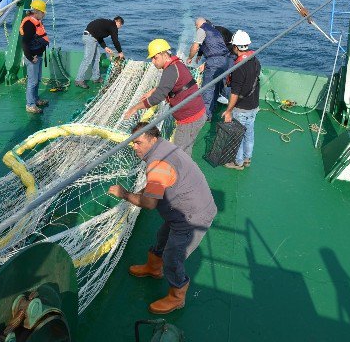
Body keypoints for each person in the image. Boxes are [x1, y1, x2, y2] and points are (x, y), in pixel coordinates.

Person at [109, 123, 217, 314]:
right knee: (162, 238)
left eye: (138, 143)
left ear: (152, 139)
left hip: (192, 216)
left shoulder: (158, 165)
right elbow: (155, 188)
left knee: (173, 257)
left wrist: (124, 194)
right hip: (181, 210)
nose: (135, 148)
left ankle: (177, 297)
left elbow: (150, 204)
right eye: (133, 143)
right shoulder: (164, 146)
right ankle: (153, 267)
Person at [124, 39, 206, 155]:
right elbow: (172, 84)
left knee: (179, 154)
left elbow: (156, 99)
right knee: (186, 148)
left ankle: (181, 172)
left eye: (155, 58)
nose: (153, 62)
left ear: (164, 54)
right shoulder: (176, 63)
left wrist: (135, 108)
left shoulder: (170, 70)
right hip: (197, 113)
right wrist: (154, 90)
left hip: (189, 118)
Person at [221, 29, 261, 170]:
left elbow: (235, 93)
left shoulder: (238, 67)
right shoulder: (255, 60)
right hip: (254, 106)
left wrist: (228, 111)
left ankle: (238, 162)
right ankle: (247, 158)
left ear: (236, 47)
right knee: (249, 133)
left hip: (242, 108)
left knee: (237, 135)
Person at [187, 17, 232, 120]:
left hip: (214, 61)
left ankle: (206, 115)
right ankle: (229, 107)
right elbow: (211, 45)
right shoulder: (214, 30)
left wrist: (190, 58)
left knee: (207, 88)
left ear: (197, 25)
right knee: (218, 85)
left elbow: (195, 46)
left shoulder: (201, 29)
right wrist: (199, 55)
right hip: (226, 60)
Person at [75, 16, 125, 89]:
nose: (119, 28)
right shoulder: (113, 26)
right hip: (90, 38)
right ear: (118, 22)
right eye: (120, 26)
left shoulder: (107, 24)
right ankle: (79, 79)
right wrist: (120, 52)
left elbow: (99, 36)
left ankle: (96, 78)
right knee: (87, 59)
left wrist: (105, 47)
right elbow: (115, 40)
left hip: (91, 37)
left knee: (96, 58)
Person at [20, 0, 50, 113]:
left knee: (37, 80)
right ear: (37, 12)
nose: (44, 14)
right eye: (43, 12)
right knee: (32, 82)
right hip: (33, 58)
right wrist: (31, 57)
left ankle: (36, 99)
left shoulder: (37, 21)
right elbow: (24, 43)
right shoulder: (29, 24)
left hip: (39, 55)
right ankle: (30, 104)